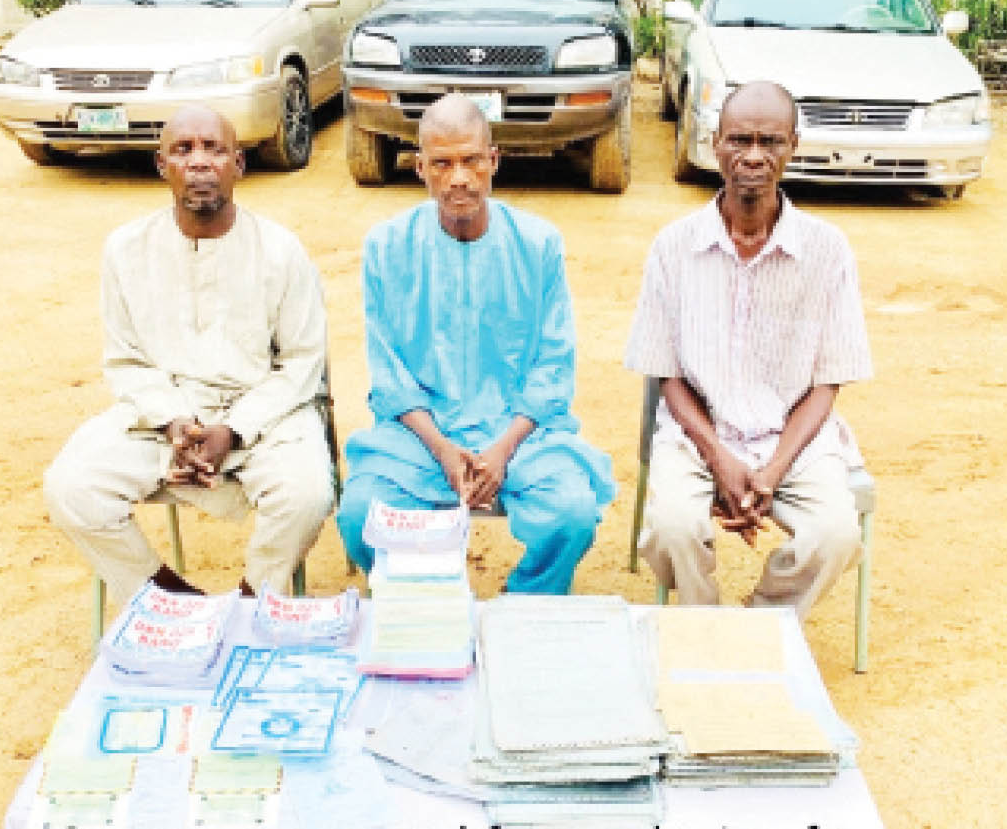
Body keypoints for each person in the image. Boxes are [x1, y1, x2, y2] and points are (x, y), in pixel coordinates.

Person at [44, 105, 333, 603]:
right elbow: (126, 361)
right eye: (183, 150)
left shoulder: (281, 250)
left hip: (265, 417)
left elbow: (302, 362)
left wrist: (232, 430)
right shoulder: (126, 249)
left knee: (307, 495)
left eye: (214, 149)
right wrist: (177, 425)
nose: (199, 162)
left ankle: (251, 601)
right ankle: (170, 601)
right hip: (163, 417)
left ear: (238, 164)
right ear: (163, 167)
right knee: (70, 487)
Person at [337, 94, 614, 594]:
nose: (458, 178)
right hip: (421, 438)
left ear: (493, 161)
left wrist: (504, 448)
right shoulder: (387, 247)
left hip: (520, 434)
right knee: (360, 516)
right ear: (421, 168)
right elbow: (390, 375)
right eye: (442, 164)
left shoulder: (538, 244)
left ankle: (522, 602)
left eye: (470, 161)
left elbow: (553, 365)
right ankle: (430, 602)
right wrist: (443, 448)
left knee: (572, 514)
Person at [625, 81, 872, 619]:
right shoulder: (673, 246)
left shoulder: (827, 251)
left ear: (793, 147)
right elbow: (668, 376)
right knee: (671, 528)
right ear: (716, 144)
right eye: (740, 140)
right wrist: (719, 458)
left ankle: (763, 625)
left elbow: (828, 382)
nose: (753, 156)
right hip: (697, 436)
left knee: (835, 535)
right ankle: (705, 623)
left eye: (770, 141)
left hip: (794, 441)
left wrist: (773, 470)